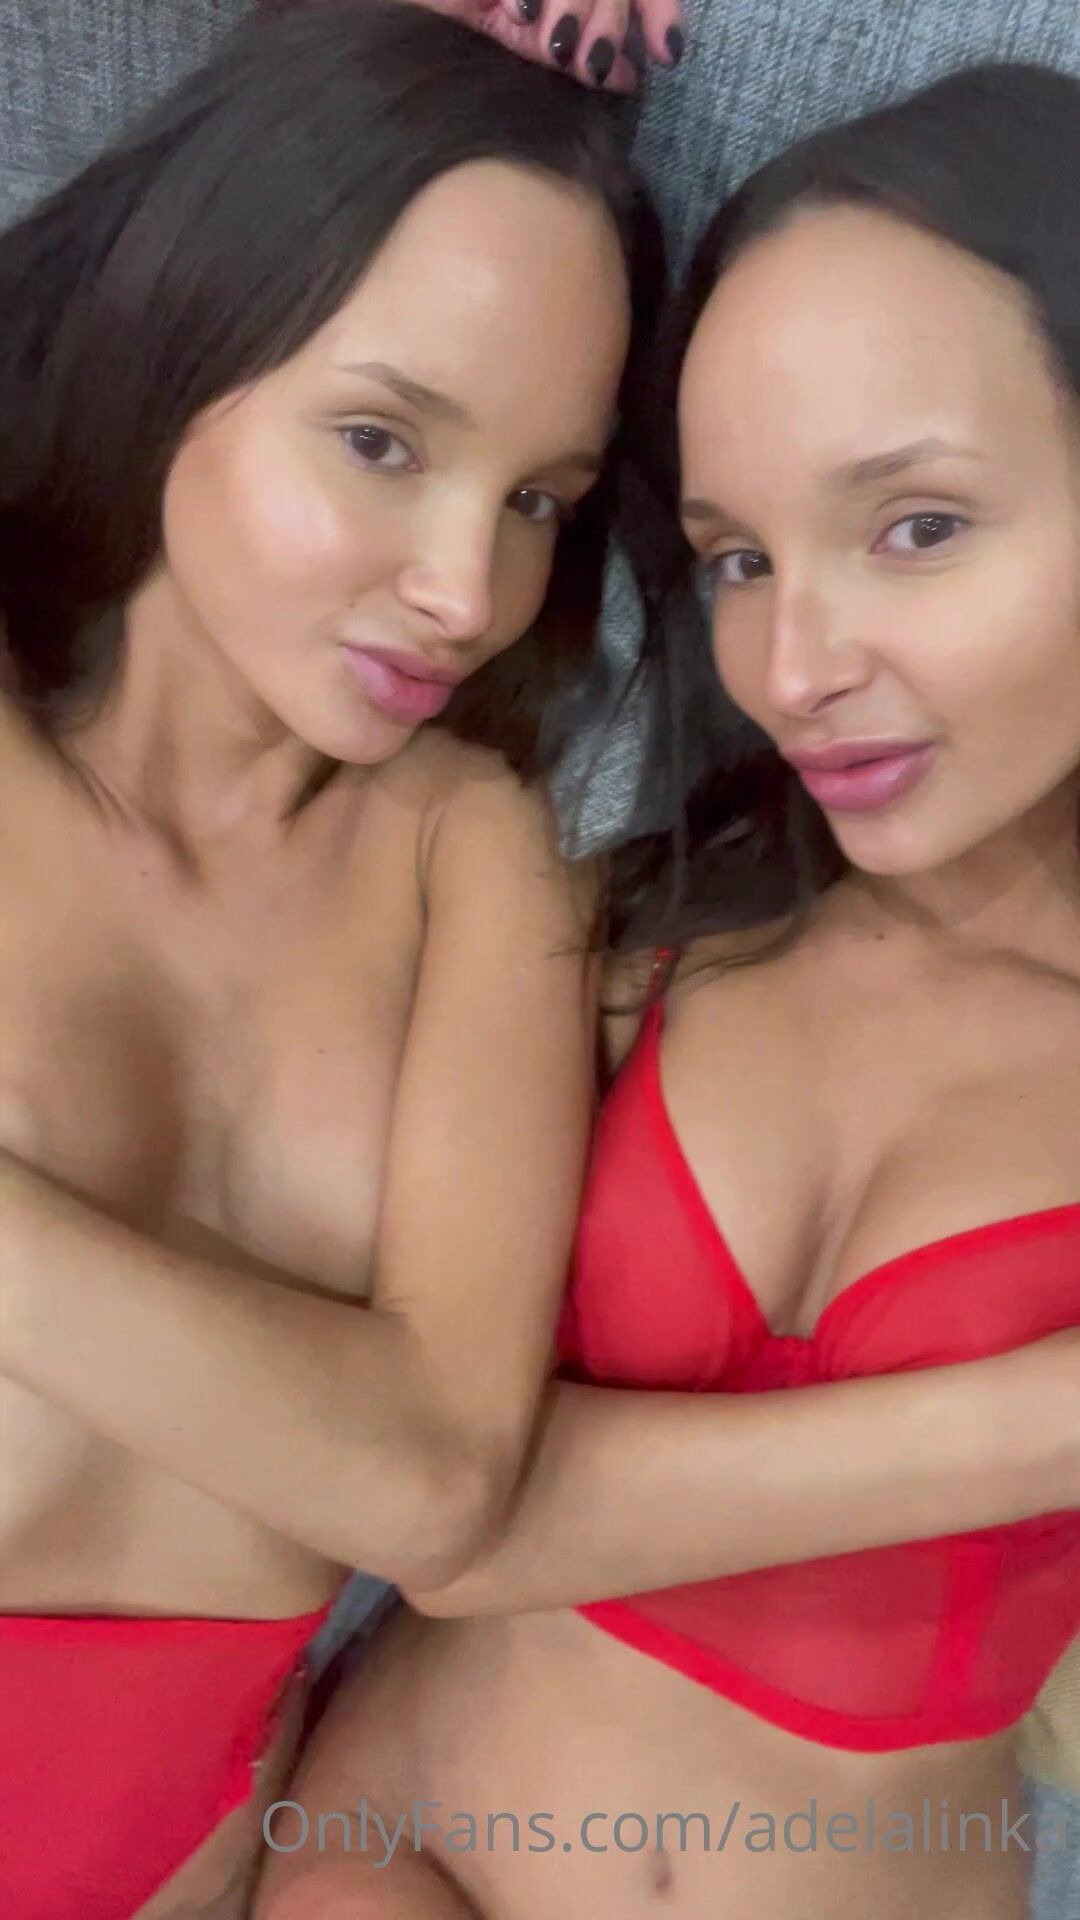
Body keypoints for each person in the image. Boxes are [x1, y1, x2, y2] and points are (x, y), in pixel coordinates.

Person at [253, 59, 1080, 1920]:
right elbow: (443, 1517)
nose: (791, 667)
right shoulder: (644, 930)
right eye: (739, 559)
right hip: (377, 1852)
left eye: (918, 525)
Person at [0, 4, 657, 1913]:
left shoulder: (478, 853)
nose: (466, 589)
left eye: (537, 500)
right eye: (382, 441)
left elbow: (436, 1483)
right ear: (178, 339)